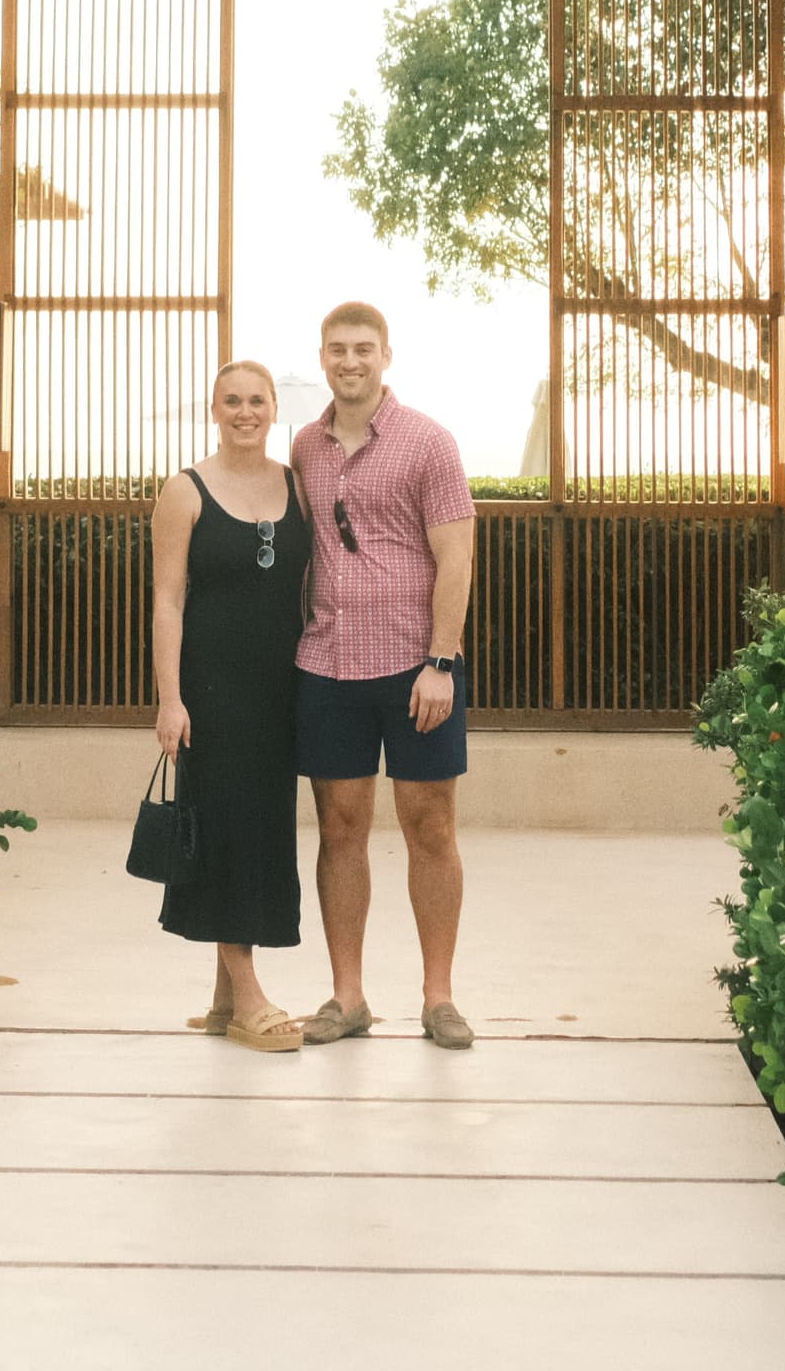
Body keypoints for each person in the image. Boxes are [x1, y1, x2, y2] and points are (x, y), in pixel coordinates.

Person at [289, 301, 478, 1050]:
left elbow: (457, 558)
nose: (349, 361)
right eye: (337, 349)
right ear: (324, 356)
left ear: (386, 355)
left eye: (363, 349)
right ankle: (348, 996)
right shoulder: (306, 446)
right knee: (340, 829)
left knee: (429, 827)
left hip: (415, 671)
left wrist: (441, 661)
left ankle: (438, 998)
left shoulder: (429, 443)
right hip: (327, 664)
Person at [149, 359, 312, 1051]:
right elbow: (167, 599)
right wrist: (169, 699)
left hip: (281, 689)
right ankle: (249, 996)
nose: (245, 411)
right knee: (225, 828)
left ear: (274, 408)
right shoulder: (183, 490)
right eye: (231, 401)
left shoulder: (298, 487)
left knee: (264, 828)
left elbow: (307, 592)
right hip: (210, 694)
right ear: (214, 410)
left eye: (256, 400)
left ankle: (222, 1001)